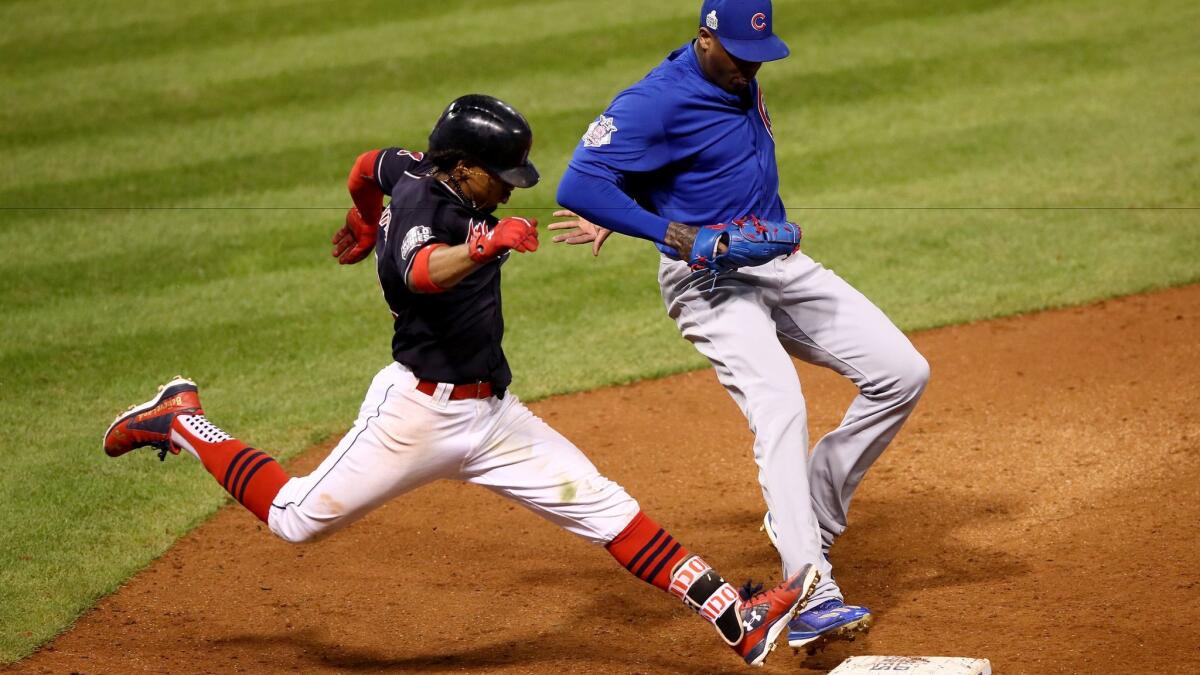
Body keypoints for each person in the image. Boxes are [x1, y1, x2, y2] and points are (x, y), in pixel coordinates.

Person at [102, 94, 819, 667]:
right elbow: (421, 269)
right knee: (294, 518)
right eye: (501, 179)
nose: (508, 192)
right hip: (415, 415)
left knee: (606, 505)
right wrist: (481, 243)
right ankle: (180, 417)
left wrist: (361, 217)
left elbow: (365, 163)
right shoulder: (429, 212)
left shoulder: (410, 171)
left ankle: (736, 615)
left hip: (494, 417)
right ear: (467, 166)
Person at [553, 0, 930, 653]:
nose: (750, 67)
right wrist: (669, 231)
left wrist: (636, 201)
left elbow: (676, 166)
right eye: (737, 54)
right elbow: (580, 182)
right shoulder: (654, 99)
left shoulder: (739, 74)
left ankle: (808, 513)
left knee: (902, 373)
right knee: (779, 401)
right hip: (707, 281)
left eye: (759, 55)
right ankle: (810, 589)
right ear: (704, 38)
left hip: (780, 263)